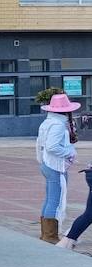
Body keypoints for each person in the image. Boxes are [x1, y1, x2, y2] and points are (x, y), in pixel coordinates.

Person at [36, 93, 80, 243]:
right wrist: (70, 152)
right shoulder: (58, 125)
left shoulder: (47, 123)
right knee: (56, 200)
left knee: (49, 199)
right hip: (55, 165)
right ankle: (50, 236)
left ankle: (46, 234)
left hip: (46, 164)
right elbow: (52, 146)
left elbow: (40, 144)